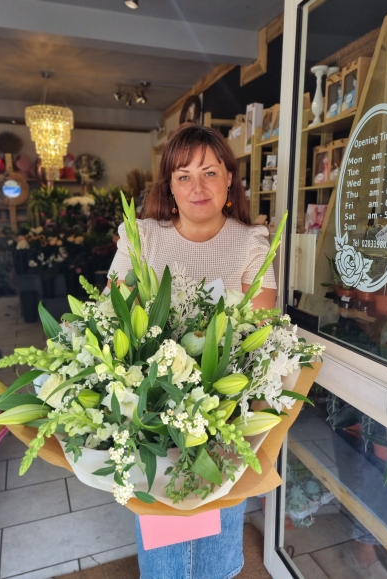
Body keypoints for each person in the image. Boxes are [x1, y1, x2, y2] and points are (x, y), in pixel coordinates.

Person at [108, 124, 276, 579]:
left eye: (209, 172)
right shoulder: (141, 236)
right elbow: (115, 316)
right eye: (183, 175)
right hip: (153, 420)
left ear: (229, 182)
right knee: (165, 562)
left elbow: (260, 330)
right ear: (169, 186)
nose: (196, 186)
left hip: (224, 420)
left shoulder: (250, 241)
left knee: (215, 556)